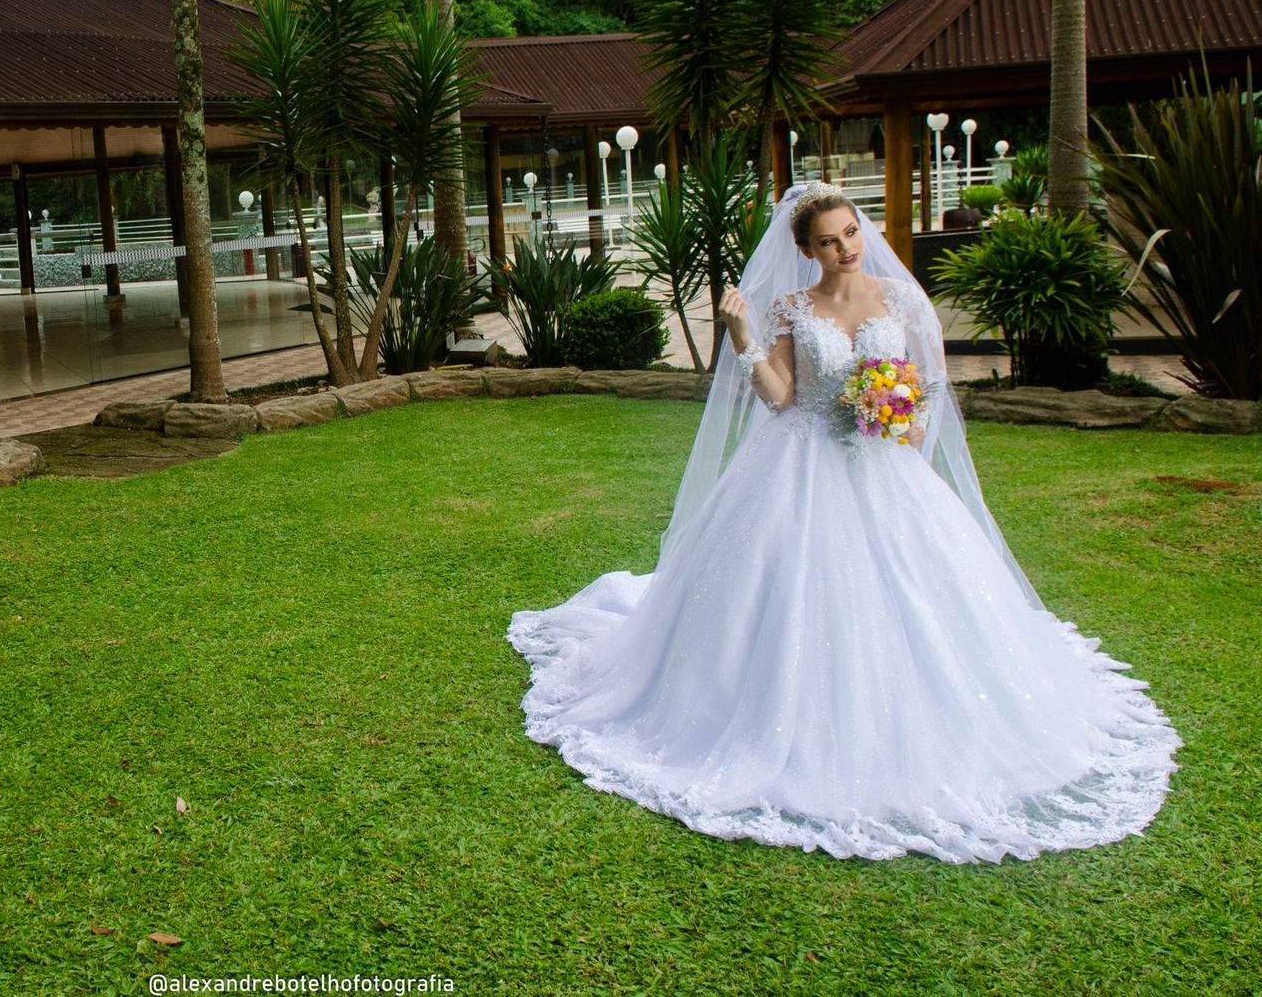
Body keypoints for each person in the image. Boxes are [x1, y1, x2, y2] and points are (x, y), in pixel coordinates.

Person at [507, 181, 1182, 863]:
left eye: (851, 233)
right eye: (828, 241)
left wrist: (903, 442)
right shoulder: (794, 309)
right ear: (805, 250)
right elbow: (781, 397)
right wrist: (741, 333)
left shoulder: (902, 298)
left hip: (886, 463)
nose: (845, 249)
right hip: (799, 461)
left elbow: (929, 383)